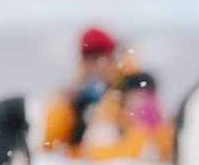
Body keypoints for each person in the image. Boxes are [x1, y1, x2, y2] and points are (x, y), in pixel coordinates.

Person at [43, 27, 136, 156]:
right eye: (90, 58)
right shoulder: (77, 94)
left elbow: (147, 143)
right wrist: (63, 106)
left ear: (112, 58)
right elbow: (47, 142)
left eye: (101, 57)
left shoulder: (130, 90)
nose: (97, 64)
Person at [78, 72, 173, 162]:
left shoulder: (162, 126)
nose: (143, 103)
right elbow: (98, 155)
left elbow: (168, 152)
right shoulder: (110, 123)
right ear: (126, 98)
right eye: (137, 96)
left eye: (148, 97)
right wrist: (138, 136)